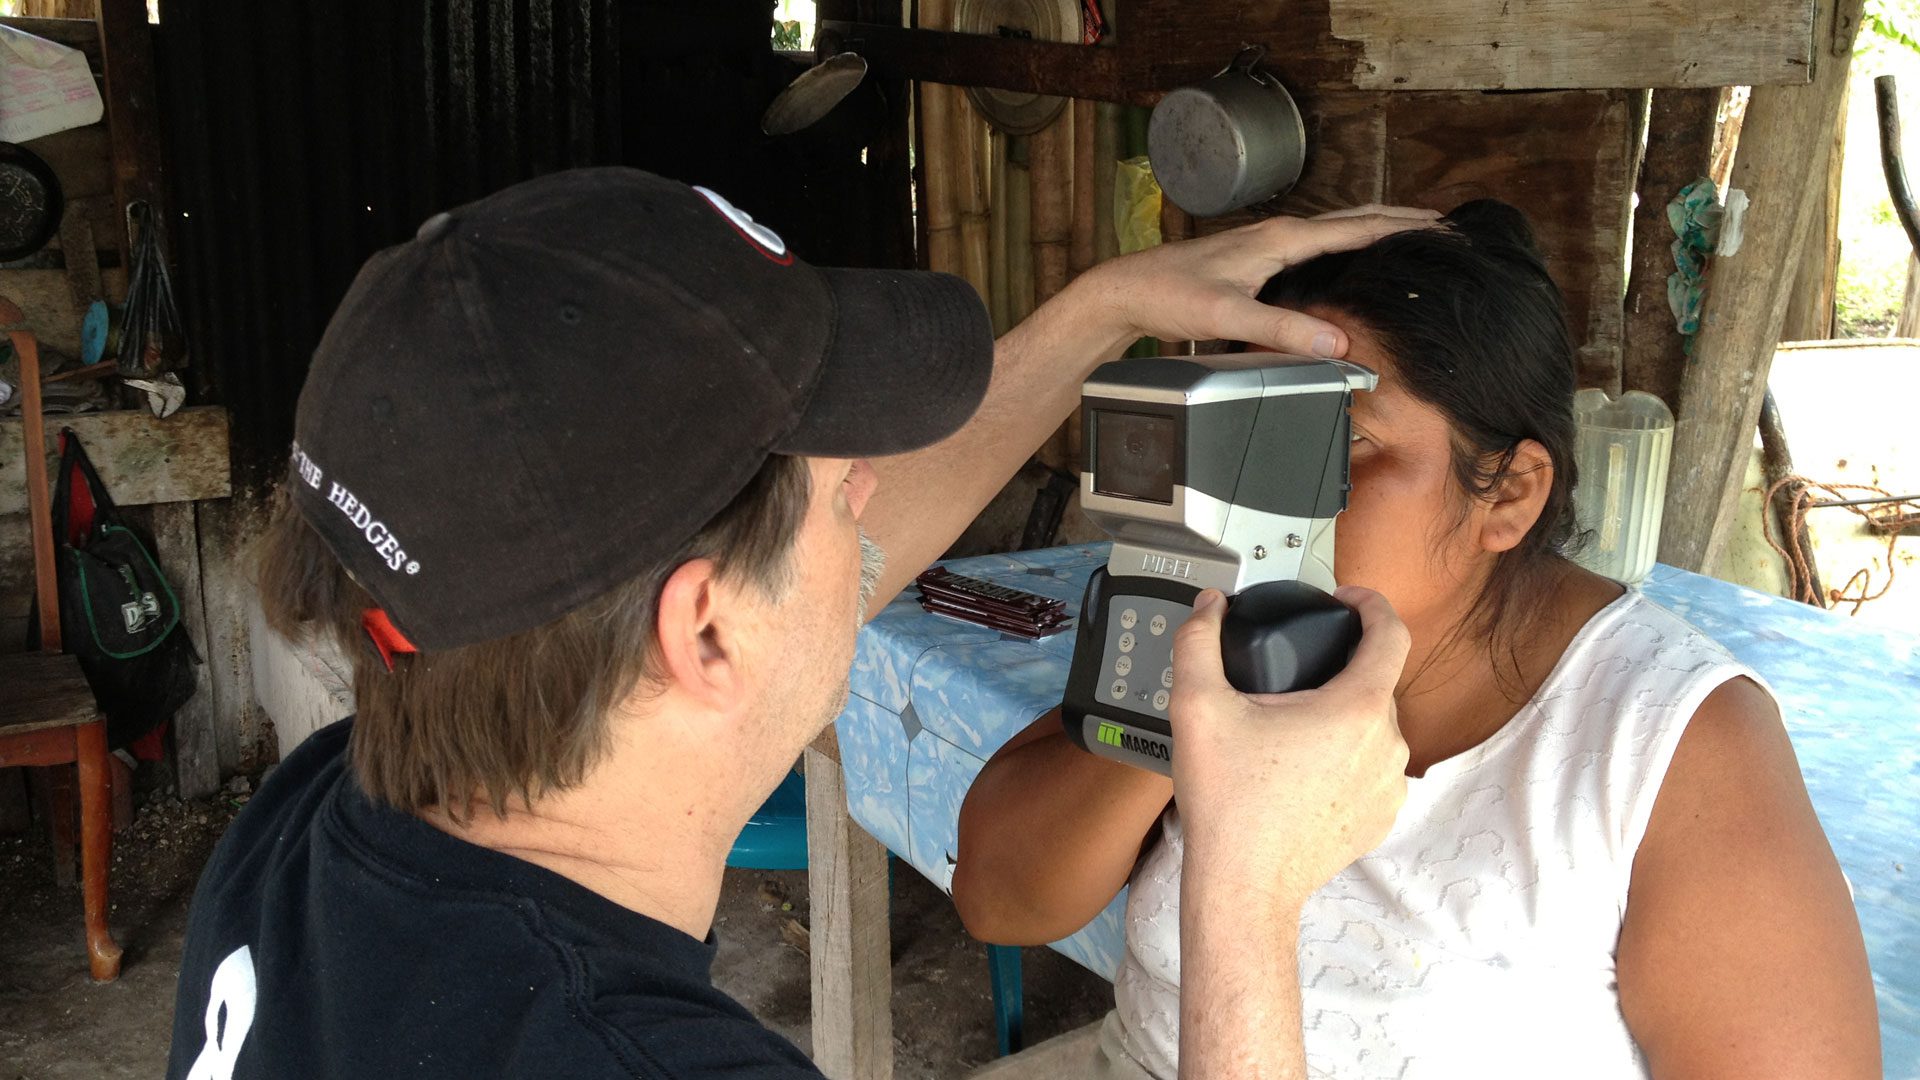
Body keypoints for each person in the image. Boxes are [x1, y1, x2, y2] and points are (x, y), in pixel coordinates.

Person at [164, 167, 1437, 1079]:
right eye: (842, 488)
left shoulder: (326, 821)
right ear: (707, 635)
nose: (875, 496)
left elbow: (814, 579)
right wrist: (1248, 896)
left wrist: (1101, 311)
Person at [953, 200, 1881, 1079]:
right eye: (1244, 435)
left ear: (1509, 493)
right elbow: (1002, 899)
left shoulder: (1668, 747)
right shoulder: (1222, 629)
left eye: (1333, 442)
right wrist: (1181, 705)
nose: (1242, 495)